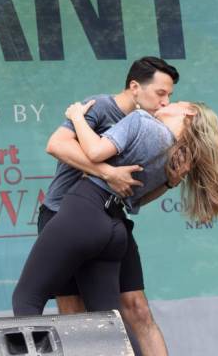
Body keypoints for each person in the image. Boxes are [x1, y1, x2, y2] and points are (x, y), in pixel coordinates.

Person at [13, 100, 218, 354]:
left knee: (26, 299)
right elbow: (134, 199)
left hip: (85, 209)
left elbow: (95, 152)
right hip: (115, 227)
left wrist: (76, 117)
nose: (167, 102)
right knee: (111, 324)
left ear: (189, 112)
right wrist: (169, 184)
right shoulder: (178, 155)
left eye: (174, 100)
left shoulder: (141, 121)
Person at [35, 57, 180, 355]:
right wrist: (107, 172)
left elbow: (132, 195)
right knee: (74, 313)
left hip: (110, 219)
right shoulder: (99, 106)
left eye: (170, 96)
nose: (165, 103)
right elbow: (56, 144)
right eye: (160, 93)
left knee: (136, 308)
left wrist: (167, 183)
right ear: (135, 87)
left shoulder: (152, 128)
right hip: (62, 215)